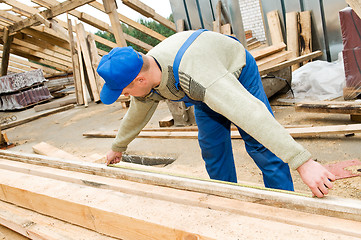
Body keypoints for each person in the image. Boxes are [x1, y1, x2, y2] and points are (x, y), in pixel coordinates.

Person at [97, 29, 335, 198]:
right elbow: (138, 111)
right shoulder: (146, 73)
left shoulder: (200, 78)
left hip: (233, 68)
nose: (125, 95)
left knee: (259, 145)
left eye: (125, 90)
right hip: (199, 79)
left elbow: (252, 115)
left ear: (140, 79)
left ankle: (284, 201)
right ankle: (228, 198)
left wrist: (302, 162)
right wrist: (118, 147)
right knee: (212, 146)